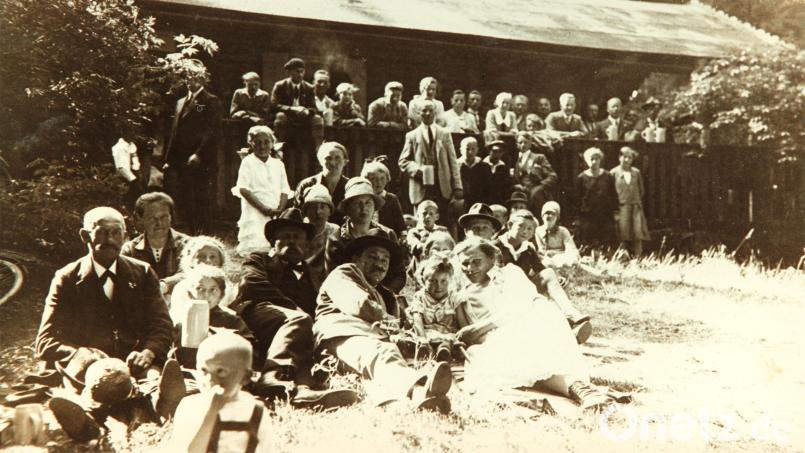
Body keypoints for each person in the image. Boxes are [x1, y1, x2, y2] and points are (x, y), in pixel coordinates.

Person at [37, 207, 180, 440]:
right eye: (102, 233)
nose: (110, 240)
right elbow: (45, 340)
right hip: (88, 366)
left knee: (152, 379)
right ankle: (87, 421)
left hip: (134, 359)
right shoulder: (67, 278)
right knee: (94, 387)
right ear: (86, 236)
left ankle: (162, 402)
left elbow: (161, 324)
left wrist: (148, 351)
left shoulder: (142, 272)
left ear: (124, 237)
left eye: (116, 233)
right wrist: (86, 357)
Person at [453, 238, 610, 410]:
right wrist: (471, 333)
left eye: (477, 262)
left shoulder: (510, 273)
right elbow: (466, 334)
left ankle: (581, 390)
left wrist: (477, 329)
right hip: (494, 340)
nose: (470, 269)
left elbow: (521, 307)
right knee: (484, 354)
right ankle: (580, 390)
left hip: (528, 323)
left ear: (491, 258)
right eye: (465, 264)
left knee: (529, 338)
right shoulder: (464, 295)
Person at [314, 228, 453, 412]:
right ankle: (420, 390)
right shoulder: (345, 272)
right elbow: (360, 305)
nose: (379, 264)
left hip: (362, 346)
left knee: (378, 366)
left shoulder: (381, 293)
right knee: (382, 353)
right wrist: (393, 326)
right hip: (341, 336)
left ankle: (395, 404)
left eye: (384, 259)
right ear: (356, 259)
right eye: (372, 256)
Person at [231, 208, 358, 409]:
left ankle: (302, 390)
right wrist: (295, 309)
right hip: (260, 317)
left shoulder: (315, 275)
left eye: (298, 238)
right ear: (273, 242)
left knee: (313, 336)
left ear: (307, 245)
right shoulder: (259, 259)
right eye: (285, 237)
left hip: (296, 332)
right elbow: (252, 283)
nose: (293, 242)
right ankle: (273, 375)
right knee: (300, 320)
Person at [493, 210, 592, 344]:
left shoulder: (527, 248)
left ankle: (570, 314)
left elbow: (540, 269)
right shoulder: (495, 246)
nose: (525, 231)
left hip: (522, 292)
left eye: (529, 229)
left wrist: (555, 279)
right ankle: (566, 333)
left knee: (549, 273)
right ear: (509, 225)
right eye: (520, 226)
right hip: (500, 294)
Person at [170, 333, 271, 453]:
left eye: (221, 372)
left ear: (246, 377)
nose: (210, 380)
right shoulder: (191, 406)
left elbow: (266, 448)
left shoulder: (255, 410)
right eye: (204, 371)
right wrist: (212, 410)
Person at [163, 59, 222, 234]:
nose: (191, 81)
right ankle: (189, 232)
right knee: (184, 197)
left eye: (195, 77)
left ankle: (205, 234)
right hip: (181, 159)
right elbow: (175, 131)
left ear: (203, 79)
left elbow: (211, 131)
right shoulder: (180, 101)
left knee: (201, 198)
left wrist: (199, 154)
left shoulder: (208, 101)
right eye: (188, 77)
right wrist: (168, 159)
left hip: (200, 160)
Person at [321, 177, 407, 293]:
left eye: (368, 203)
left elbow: (399, 275)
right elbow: (334, 278)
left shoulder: (388, 234)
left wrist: (384, 295)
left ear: (375, 207)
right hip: (348, 296)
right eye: (357, 203)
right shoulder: (336, 240)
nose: (364, 208)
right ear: (348, 208)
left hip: (384, 296)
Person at [169, 265, 259, 369]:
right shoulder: (181, 319)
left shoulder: (231, 320)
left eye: (213, 290)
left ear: (221, 295)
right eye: (200, 288)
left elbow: (251, 350)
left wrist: (222, 338)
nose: (206, 294)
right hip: (188, 371)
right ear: (190, 293)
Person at [398, 99, 464, 222]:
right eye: (424, 111)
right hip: (420, 187)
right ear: (418, 114)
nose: (427, 113)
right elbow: (403, 161)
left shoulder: (445, 134)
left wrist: (457, 186)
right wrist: (417, 170)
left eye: (431, 111)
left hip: (442, 187)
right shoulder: (412, 135)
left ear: (435, 113)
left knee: (443, 220)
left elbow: (453, 162)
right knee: (422, 221)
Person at [231, 125, 292, 255]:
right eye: (257, 142)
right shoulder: (248, 162)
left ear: (272, 143)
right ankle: (255, 260)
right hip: (255, 207)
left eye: (266, 142)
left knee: (274, 242)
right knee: (256, 240)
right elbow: (244, 189)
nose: (262, 146)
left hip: (275, 208)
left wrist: (280, 208)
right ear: (251, 144)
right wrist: (263, 209)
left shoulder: (278, 164)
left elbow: (284, 189)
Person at [122, 192, 191, 294]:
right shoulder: (130, 249)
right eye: (151, 218)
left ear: (171, 217)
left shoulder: (188, 244)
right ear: (141, 219)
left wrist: (164, 286)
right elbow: (123, 278)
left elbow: (190, 273)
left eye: (164, 217)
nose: (159, 223)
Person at [409, 255, 461, 362]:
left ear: (449, 281)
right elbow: (417, 319)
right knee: (415, 342)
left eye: (443, 281)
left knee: (448, 342)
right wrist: (422, 339)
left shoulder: (453, 297)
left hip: (447, 335)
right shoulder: (420, 296)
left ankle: (444, 352)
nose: (438, 286)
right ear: (424, 281)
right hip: (426, 334)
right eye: (432, 281)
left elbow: (462, 322)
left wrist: (464, 337)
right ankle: (424, 352)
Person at [271, 57, 324, 152]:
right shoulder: (280, 86)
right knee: (280, 116)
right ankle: (277, 147)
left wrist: (307, 111)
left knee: (317, 119)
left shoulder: (309, 87)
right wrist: (292, 109)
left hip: (303, 118)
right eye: (297, 72)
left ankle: (319, 148)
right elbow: (274, 105)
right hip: (288, 117)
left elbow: (313, 107)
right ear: (290, 72)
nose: (300, 75)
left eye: (302, 71)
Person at [168, 235, 234, 309]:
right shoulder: (183, 287)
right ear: (191, 261)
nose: (208, 260)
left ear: (221, 261)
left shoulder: (229, 287)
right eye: (202, 256)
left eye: (212, 257)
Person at [294, 141, 350, 224]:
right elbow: (298, 214)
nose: (333, 163)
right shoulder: (307, 184)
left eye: (337, 158)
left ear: (345, 161)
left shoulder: (350, 186)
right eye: (328, 158)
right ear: (320, 161)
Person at [575, 147, 618, 250]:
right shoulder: (581, 177)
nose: (594, 162)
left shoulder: (608, 176)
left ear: (600, 160)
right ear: (586, 160)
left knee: (606, 239)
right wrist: (577, 216)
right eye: (591, 159)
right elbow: (577, 198)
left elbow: (613, 195)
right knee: (588, 240)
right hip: (588, 214)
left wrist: (616, 212)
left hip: (605, 213)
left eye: (597, 158)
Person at [611, 147, 650, 258]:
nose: (627, 160)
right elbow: (611, 192)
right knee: (622, 234)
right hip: (621, 207)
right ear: (619, 157)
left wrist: (635, 201)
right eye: (624, 157)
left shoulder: (636, 172)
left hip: (635, 207)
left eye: (630, 157)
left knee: (637, 233)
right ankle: (622, 258)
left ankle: (638, 258)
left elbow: (641, 190)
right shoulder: (614, 172)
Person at [514, 131, 557, 214]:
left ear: (530, 143)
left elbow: (552, 175)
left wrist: (541, 186)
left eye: (525, 142)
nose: (523, 145)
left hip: (536, 192)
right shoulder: (515, 159)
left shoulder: (539, 157)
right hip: (522, 193)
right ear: (517, 144)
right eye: (520, 142)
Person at [362, 159, 405, 236]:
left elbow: (400, 224)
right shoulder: (364, 198)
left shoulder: (392, 199)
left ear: (387, 179)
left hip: (387, 237)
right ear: (366, 180)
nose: (378, 182)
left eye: (382, 178)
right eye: (373, 179)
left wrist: (403, 235)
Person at [535, 202, 580, 269]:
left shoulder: (563, 231)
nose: (549, 216)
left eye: (553, 214)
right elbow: (542, 250)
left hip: (562, 256)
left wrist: (556, 253)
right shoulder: (538, 230)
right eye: (546, 213)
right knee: (545, 263)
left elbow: (570, 248)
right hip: (547, 258)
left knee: (572, 259)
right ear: (542, 216)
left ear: (557, 217)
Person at [300, 184, 340, 260]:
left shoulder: (335, 230)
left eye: (322, 207)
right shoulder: (300, 231)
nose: (318, 212)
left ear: (329, 211)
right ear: (306, 212)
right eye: (313, 207)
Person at [457, 136, 490, 208]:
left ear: (477, 150)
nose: (470, 152)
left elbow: (487, 187)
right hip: (461, 201)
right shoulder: (456, 166)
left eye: (473, 149)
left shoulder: (484, 166)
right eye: (467, 149)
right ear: (461, 150)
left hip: (479, 201)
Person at [482, 140, 512, 206]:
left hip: (498, 201)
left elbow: (506, 187)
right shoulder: (481, 165)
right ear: (489, 151)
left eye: (500, 151)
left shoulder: (504, 168)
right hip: (483, 199)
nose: (497, 154)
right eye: (494, 151)